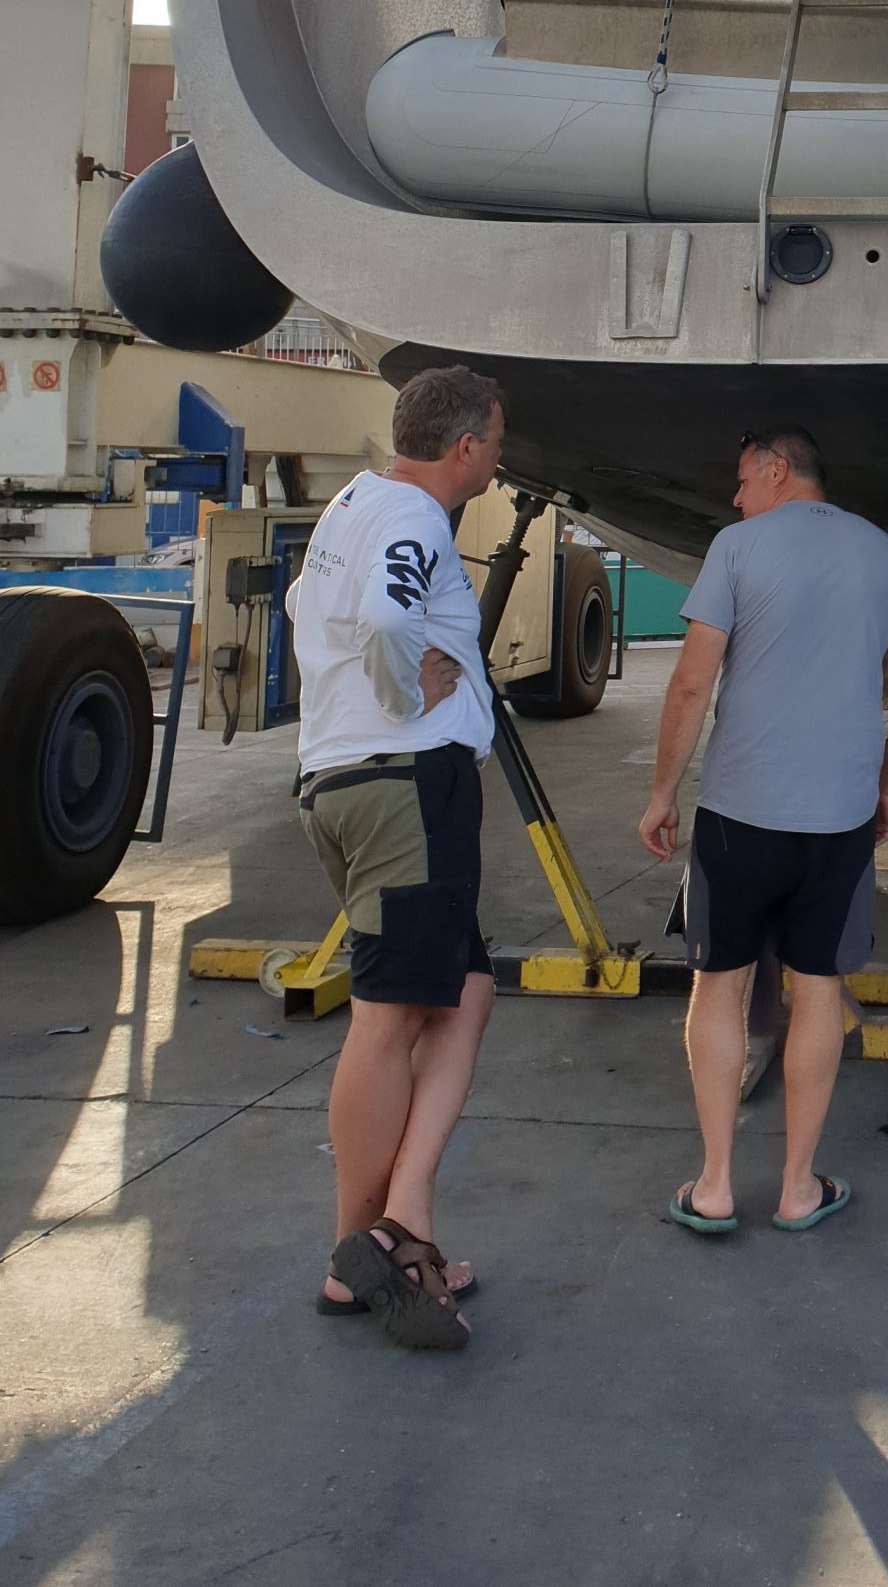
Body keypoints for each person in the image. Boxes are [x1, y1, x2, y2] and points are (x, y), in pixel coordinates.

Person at [639, 427, 888, 1236]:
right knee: (818, 994)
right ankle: (799, 1187)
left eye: (742, 479)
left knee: (720, 986)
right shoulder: (887, 557)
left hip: (739, 816)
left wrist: (662, 791)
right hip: (838, 821)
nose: (735, 498)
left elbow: (691, 681)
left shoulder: (736, 548)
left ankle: (713, 1185)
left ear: (776, 470)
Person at [287, 363, 506, 1351]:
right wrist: (404, 694)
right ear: (464, 447)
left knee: (461, 991)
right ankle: (366, 1252)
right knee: (385, 1016)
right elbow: (383, 619)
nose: (500, 457)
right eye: (496, 440)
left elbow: (305, 606)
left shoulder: (354, 501)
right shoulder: (416, 519)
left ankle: (395, 1223)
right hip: (403, 785)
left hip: (348, 779)